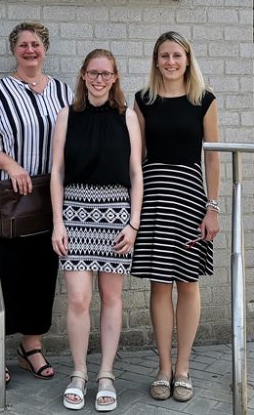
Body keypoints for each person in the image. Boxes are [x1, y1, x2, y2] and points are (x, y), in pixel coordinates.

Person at [0, 22, 73, 386]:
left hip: (47, 196)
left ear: (45, 49)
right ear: (14, 50)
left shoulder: (62, 90)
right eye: (23, 44)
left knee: (41, 273)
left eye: (36, 44)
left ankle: (31, 345)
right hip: (3, 198)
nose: (30, 50)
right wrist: (10, 164)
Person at [130, 31, 221, 403]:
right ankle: (163, 368)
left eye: (177, 55)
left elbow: (212, 158)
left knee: (187, 284)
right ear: (156, 60)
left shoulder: (205, 100)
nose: (170, 62)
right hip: (153, 200)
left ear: (187, 59)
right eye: (164, 56)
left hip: (188, 199)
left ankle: (183, 368)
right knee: (159, 285)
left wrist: (212, 207)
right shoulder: (142, 101)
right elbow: (136, 158)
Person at [50, 50, 143, 412]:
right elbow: (56, 171)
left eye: (106, 73)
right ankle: (78, 373)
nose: (99, 79)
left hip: (116, 215)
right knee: (78, 299)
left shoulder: (128, 117)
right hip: (74, 213)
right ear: (84, 75)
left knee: (112, 298)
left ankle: (106, 373)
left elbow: (136, 173)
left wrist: (133, 222)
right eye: (93, 73)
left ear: (115, 77)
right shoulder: (67, 116)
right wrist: (57, 221)